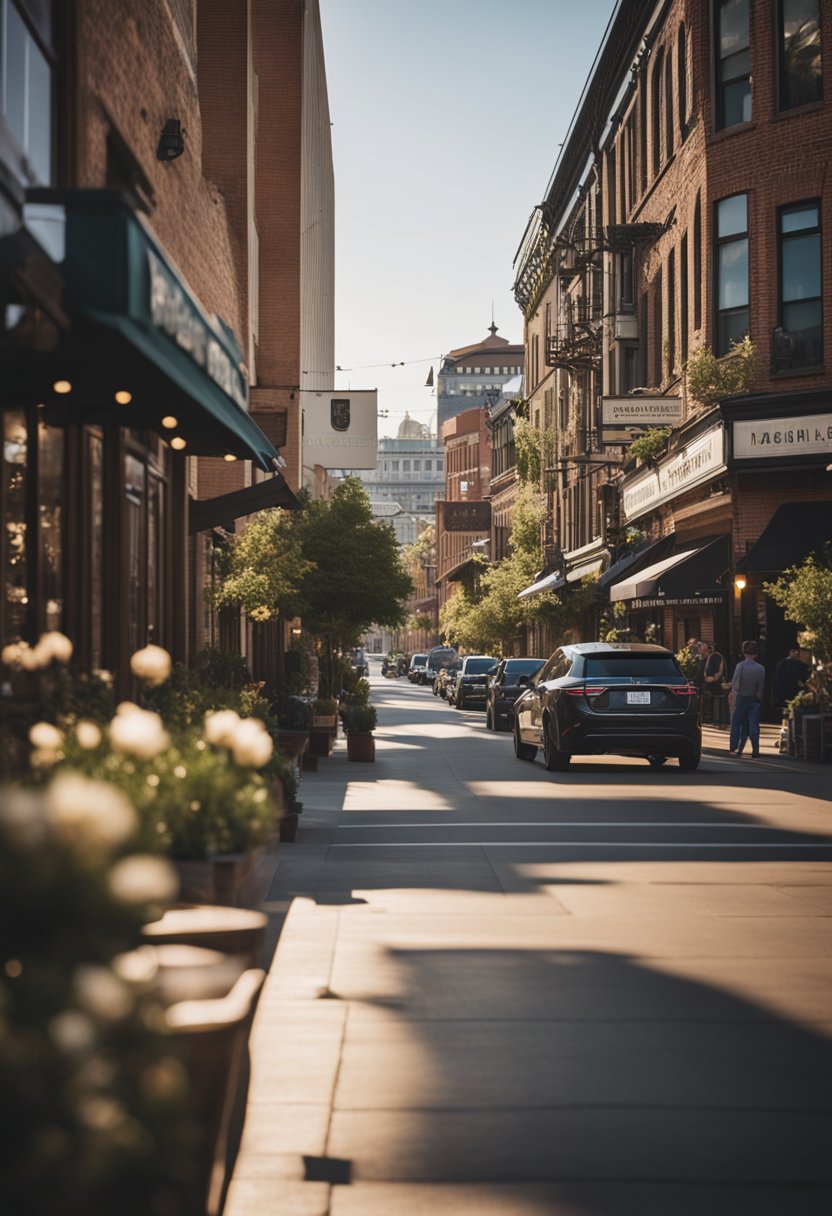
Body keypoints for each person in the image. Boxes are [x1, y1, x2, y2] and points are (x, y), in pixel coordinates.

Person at [729, 640, 765, 757]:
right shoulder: (760, 668)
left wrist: (734, 702)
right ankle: (755, 750)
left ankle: (734, 747)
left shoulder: (740, 666)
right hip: (754, 699)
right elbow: (760, 689)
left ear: (744, 653)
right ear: (756, 654)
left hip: (741, 698)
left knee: (737, 723)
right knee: (753, 724)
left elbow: (736, 685)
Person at [772, 645, 809, 713]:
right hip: (794, 691)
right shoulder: (800, 665)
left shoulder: (781, 664)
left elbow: (776, 678)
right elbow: (804, 678)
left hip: (782, 691)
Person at [700, 641, 726, 724]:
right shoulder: (703, 660)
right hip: (706, 684)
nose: (702, 652)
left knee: (715, 700)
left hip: (715, 684)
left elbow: (720, 670)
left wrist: (714, 678)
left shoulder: (717, 657)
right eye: (701, 650)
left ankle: (716, 718)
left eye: (704, 650)